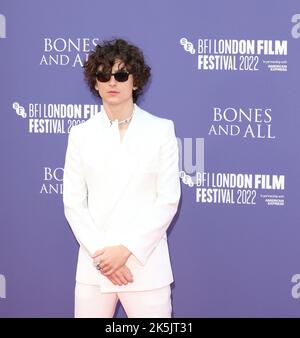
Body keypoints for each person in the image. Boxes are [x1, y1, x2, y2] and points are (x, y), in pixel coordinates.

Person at [63, 38, 181, 318]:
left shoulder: (161, 130)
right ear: (95, 83)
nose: (112, 82)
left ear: (136, 81)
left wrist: (126, 250)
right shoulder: (80, 134)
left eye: (121, 74)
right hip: (95, 268)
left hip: (146, 267)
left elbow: (167, 200)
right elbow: (73, 203)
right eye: (104, 75)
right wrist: (104, 258)